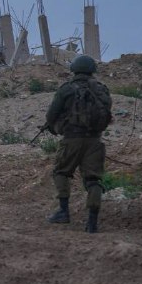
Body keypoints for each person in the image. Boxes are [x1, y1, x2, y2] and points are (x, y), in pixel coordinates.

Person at [45, 54, 112, 233]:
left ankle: (63, 212)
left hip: (72, 139)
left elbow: (51, 115)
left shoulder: (66, 89)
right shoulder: (101, 89)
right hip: (95, 140)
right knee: (93, 180)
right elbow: (107, 112)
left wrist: (54, 126)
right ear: (92, 70)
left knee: (61, 172)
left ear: (74, 69)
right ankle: (92, 222)